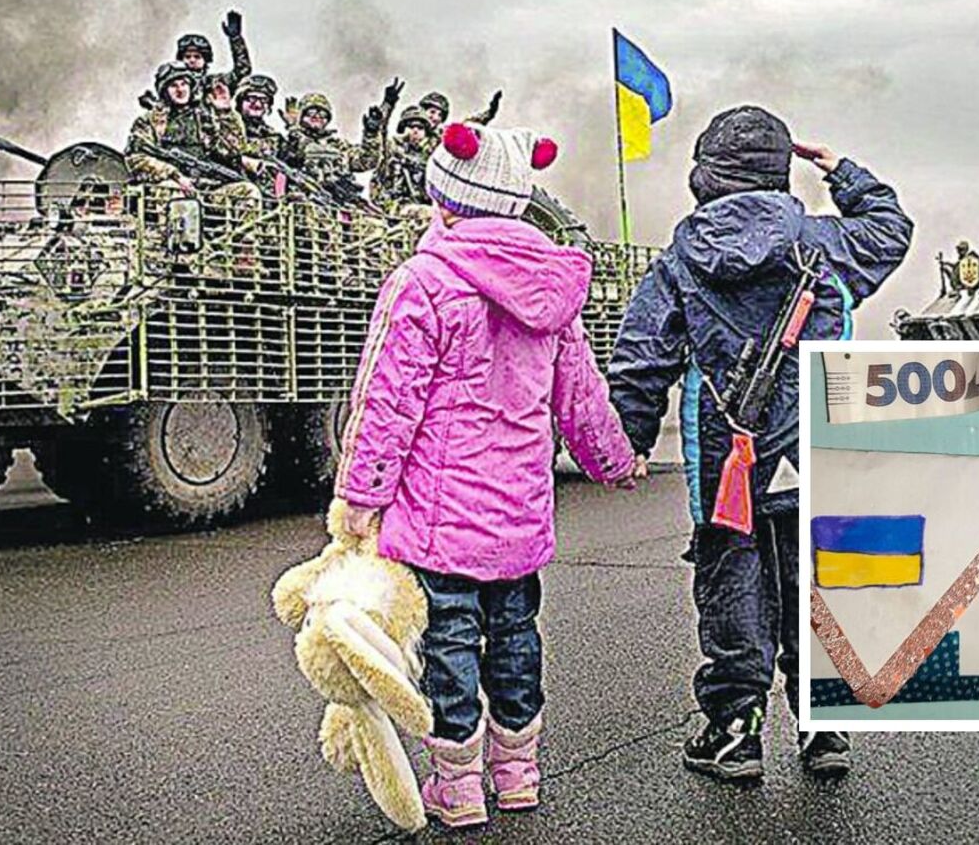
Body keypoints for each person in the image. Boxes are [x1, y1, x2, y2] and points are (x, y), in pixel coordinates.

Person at [333, 122, 635, 829]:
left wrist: (360, 498)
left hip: (440, 523)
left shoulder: (424, 282)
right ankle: (519, 772)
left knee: (449, 644)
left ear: (444, 200)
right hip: (520, 514)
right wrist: (614, 461)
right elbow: (581, 396)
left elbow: (386, 400)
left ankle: (459, 785)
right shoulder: (553, 291)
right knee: (517, 637)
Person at [606, 105, 913, 784]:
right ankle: (823, 726)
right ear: (780, 171)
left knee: (730, 581)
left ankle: (735, 733)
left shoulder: (681, 257)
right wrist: (843, 172)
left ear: (705, 175)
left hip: (725, 458)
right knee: (818, 580)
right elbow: (893, 230)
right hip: (817, 450)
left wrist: (627, 445)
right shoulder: (827, 243)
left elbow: (639, 360)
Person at [125, 63, 218, 185]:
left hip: (205, 184)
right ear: (165, 91)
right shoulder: (150, 121)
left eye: (184, 84)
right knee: (171, 188)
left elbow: (230, 151)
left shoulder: (204, 119)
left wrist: (226, 112)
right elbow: (136, 158)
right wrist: (174, 174)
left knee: (246, 189)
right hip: (167, 183)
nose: (180, 90)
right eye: (173, 86)